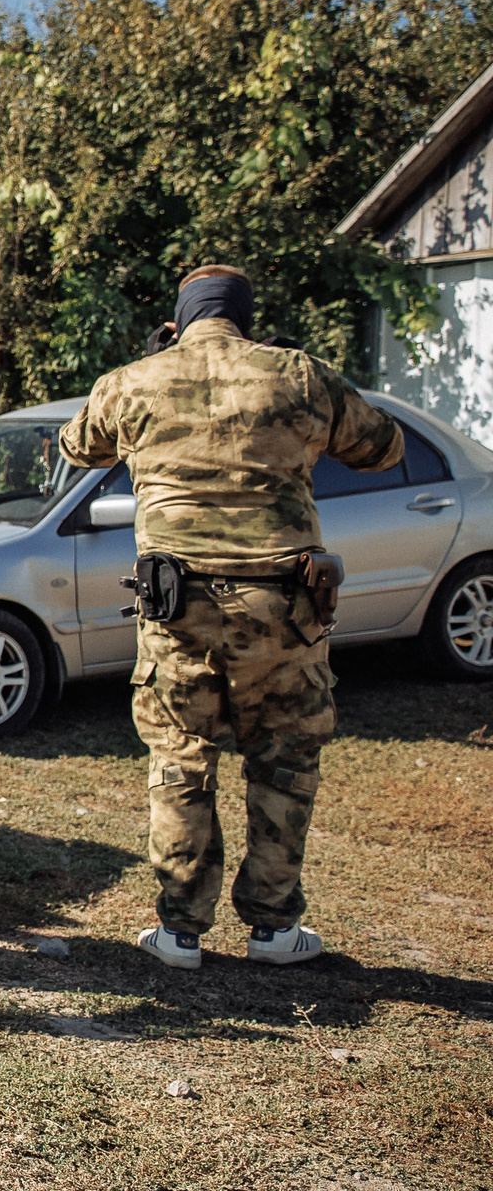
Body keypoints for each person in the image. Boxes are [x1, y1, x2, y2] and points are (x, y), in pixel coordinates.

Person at [60, 265, 403, 971]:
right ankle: (274, 928)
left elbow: (76, 446)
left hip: (177, 607)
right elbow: (384, 447)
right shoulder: (298, 374)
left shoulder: (134, 381)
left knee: (182, 758)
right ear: (245, 320)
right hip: (285, 607)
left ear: (179, 320)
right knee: (284, 761)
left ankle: (180, 931)